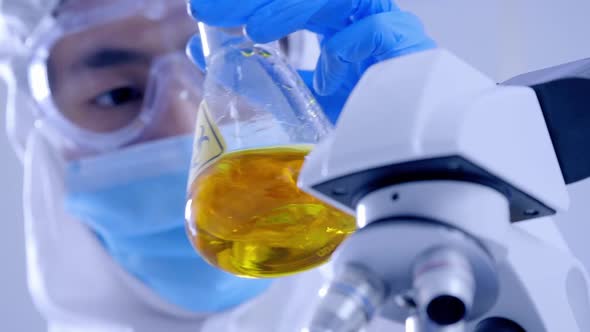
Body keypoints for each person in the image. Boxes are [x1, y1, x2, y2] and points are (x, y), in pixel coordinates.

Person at [0, 0, 434, 330]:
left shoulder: (439, 300)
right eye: (117, 94)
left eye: (235, 74)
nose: (185, 128)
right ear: (39, 132)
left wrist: (447, 192)